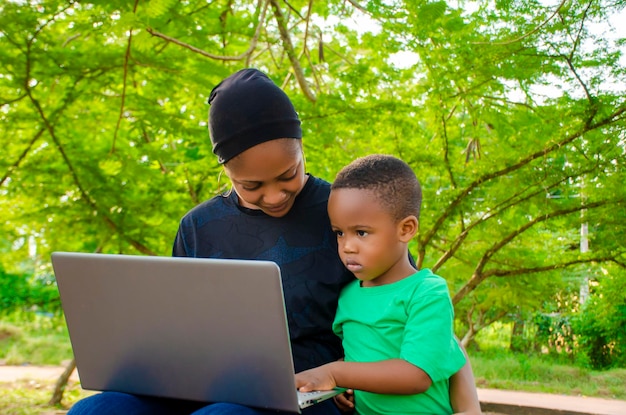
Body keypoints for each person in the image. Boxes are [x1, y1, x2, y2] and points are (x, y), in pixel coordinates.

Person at [68, 69, 481, 415]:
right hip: (206, 381)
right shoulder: (198, 227)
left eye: (288, 175)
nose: (275, 195)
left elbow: (426, 328)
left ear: (302, 147)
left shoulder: (347, 214)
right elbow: (176, 327)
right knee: (95, 410)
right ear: (226, 171)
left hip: (308, 393)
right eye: (251, 185)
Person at [295, 154, 469, 415]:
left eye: (361, 232)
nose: (347, 246)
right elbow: (365, 356)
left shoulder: (426, 292)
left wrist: (336, 373)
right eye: (339, 233)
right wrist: (344, 387)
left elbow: (417, 374)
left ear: (406, 229)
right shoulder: (348, 295)